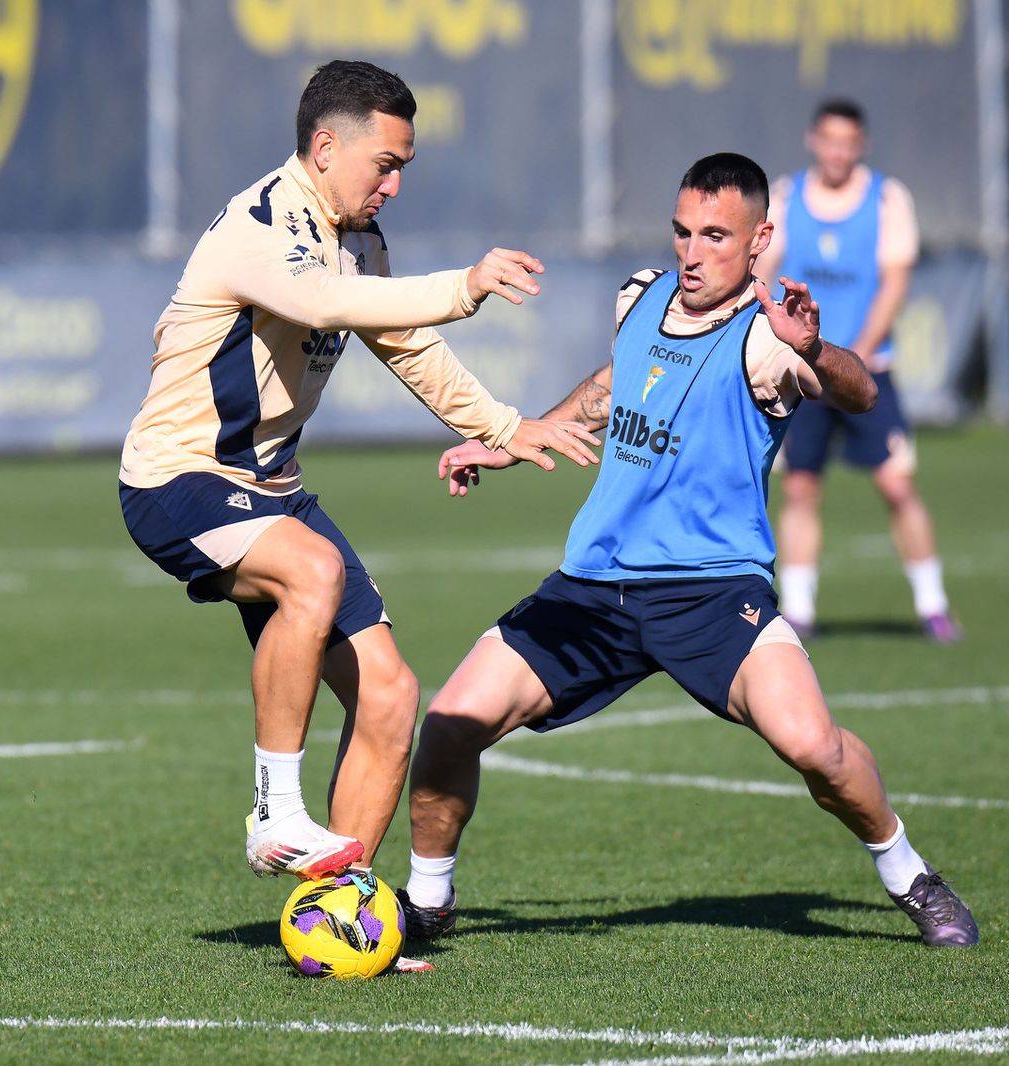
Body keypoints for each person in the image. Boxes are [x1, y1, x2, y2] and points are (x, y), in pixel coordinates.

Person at [397, 153, 979, 950]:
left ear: (759, 238)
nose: (692, 251)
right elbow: (618, 380)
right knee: (450, 722)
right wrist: (519, 436)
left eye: (715, 235)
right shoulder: (639, 296)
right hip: (594, 590)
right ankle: (427, 903)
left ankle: (910, 875)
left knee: (813, 745)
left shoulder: (768, 342)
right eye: (682, 231)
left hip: (710, 592)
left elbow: (861, 392)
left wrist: (814, 348)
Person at [118, 60, 598, 883]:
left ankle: (341, 909)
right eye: (388, 165)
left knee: (390, 698)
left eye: (405, 168)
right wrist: (465, 284)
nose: (395, 186)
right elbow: (328, 306)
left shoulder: (359, 239)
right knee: (312, 574)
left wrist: (503, 426)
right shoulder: (261, 225)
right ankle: (275, 812)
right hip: (176, 477)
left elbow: (404, 343)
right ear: (326, 146)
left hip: (271, 488)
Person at [753, 99, 958, 642]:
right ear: (813, 140)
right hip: (803, 374)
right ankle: (798, 610)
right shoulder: (789, 196)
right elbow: (764, 271)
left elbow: (894, 281)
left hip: (869, 370)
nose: (838, 152)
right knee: (800, 487)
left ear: (859, 145)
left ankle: (932, 604)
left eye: (848, 142)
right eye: (829, 140)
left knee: (896, 484)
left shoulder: (887, 200)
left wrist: (857, 354)